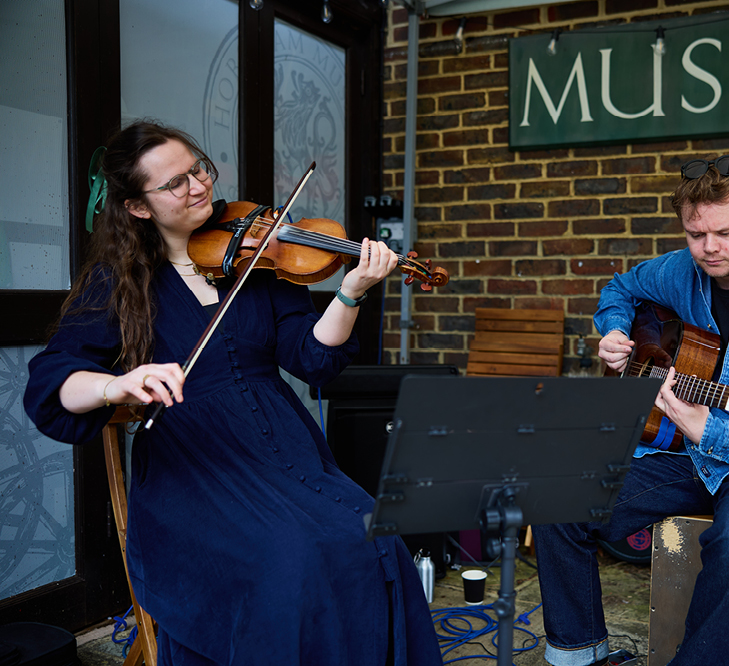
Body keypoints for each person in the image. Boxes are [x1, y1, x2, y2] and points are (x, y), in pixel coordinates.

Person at [25, 120, 442, 666]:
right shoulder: (121, 280)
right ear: (137, 207)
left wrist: (350, 291)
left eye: (199, 168)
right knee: (290, 559)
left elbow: (312, 357)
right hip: (194, 470)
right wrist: (117, 383)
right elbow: (54, 381)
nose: (199, 186)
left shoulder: (258, 259)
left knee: (372, 533)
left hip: (285, 451)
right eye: (175, 183)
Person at [533, 155, 729, 666]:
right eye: (695, 234)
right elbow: (621, 287)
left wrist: (710, 428)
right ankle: (579, 654)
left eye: (723, 232)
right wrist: (613, 330)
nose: (708, 248)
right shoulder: (683, 271)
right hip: (691, 456)